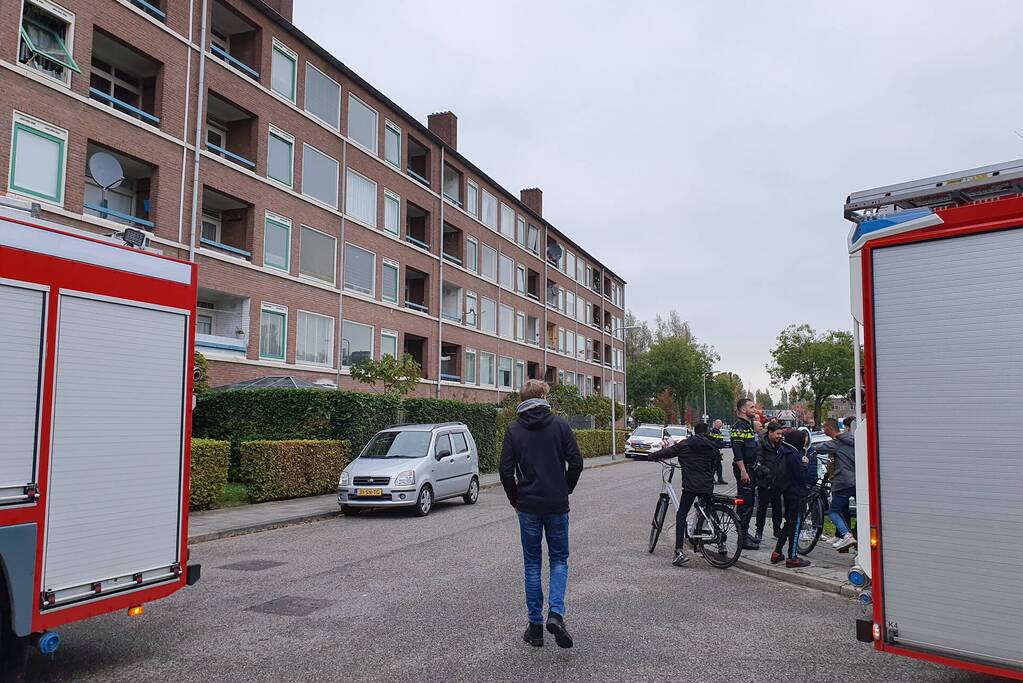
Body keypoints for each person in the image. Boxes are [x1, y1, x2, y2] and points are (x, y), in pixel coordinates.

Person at [500, 379, 583, 649]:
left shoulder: (514, 429)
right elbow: (577, 463)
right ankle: (556, 615)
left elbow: (505, 471)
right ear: (544, 396)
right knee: (559, 560)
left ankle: (535, 627)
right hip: (556, 504)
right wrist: (565, 489)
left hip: (528, 506)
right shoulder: (559, 425)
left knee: (532, 563)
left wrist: (515, 498)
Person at [655, 422, 722, 566]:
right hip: (706, 485)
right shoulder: (712, 445)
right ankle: (721, 542)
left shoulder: (685, 444)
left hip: (690, 486)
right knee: (710, 510)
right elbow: (716, 465)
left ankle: (679, 551)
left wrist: (653, 456)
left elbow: (668, 452)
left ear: (694, 432)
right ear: (707, 431)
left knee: (682, 514)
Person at [766, 425, 813, 568]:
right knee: (795, 524)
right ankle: (792, 557)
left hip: (785, 492)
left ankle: (777, 552)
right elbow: (800, 476)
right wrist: (805, 465)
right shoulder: (793, 455)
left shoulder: (783, 450)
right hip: (795, 493)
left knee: (788, 523)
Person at [816, 418, 857, 550]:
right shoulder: (853, 439)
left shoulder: (837, 443)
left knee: (834, 511)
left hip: (843, 482)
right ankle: (853, 537)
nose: (823, 429)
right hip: (857, 481)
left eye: (824, 427)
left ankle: (846, 535)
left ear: (829, 428)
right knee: (860, 512)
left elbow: (820, 448)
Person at [730, 398, 760, 549]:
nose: (754, 409)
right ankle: (742, 538)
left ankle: (745, 532)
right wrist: (743, 471)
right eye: (751, 407)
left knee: (749, 502)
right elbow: (737, 452)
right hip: (744, 469)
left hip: (750, 468)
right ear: (743, 410)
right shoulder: (739, 428)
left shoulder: (748, 427)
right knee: (746, 504)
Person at [753, 425, 784, 543]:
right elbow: (758, 462)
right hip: (764, 481)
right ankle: (759, 531)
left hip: (777, 481)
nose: (779, 436)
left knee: (777, 506)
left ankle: (777, 530)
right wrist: (768, 473)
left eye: (781, 434)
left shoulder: (780, 445)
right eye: (777, 434)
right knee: (762, 506)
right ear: (770, 432)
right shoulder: (761, 444)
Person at [710, 419, 727, 485]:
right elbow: (714, 441)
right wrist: (720, 444)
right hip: (713, 450)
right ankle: (712, 479)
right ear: (716, 424)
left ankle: (720, 478)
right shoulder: (713, 431)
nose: (721, 425)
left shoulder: (718, 431)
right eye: (720, 423)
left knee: (719, 466)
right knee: (714, 465)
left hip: (717, 450)